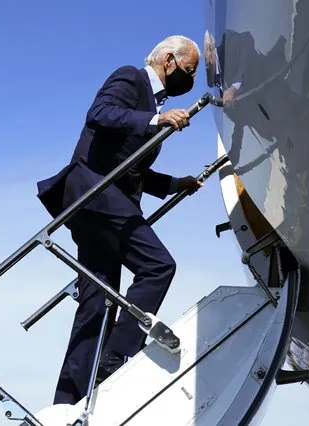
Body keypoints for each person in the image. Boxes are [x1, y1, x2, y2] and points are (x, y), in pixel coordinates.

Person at [36, 35, 203, 406]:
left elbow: (134, 170)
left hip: (104, 201)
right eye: (189, 70)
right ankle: (115, 359)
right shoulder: (131, 79)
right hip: (95, 193)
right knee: (158, 266)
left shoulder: (153, 104)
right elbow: (100, 114)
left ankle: (69, 403)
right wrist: (154, 118)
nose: (190, 80)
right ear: (169, 61)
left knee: (97, 303)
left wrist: (178, 184)